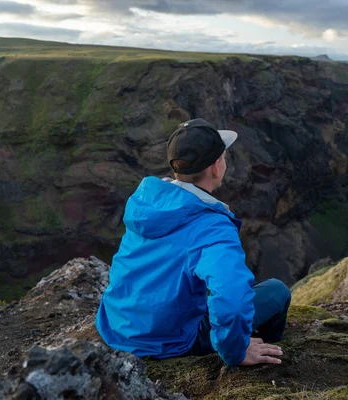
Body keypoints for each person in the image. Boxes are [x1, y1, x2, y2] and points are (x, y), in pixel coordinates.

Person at [96, 118, 291, 366]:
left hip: (116, 327)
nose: (225, 162)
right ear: (215, 168)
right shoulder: (212, 228)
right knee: (276, 292)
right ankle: (261, 347)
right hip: (168, 342)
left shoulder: (146, 201)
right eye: (223, 157)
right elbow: (232, 300)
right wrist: (236, 352)